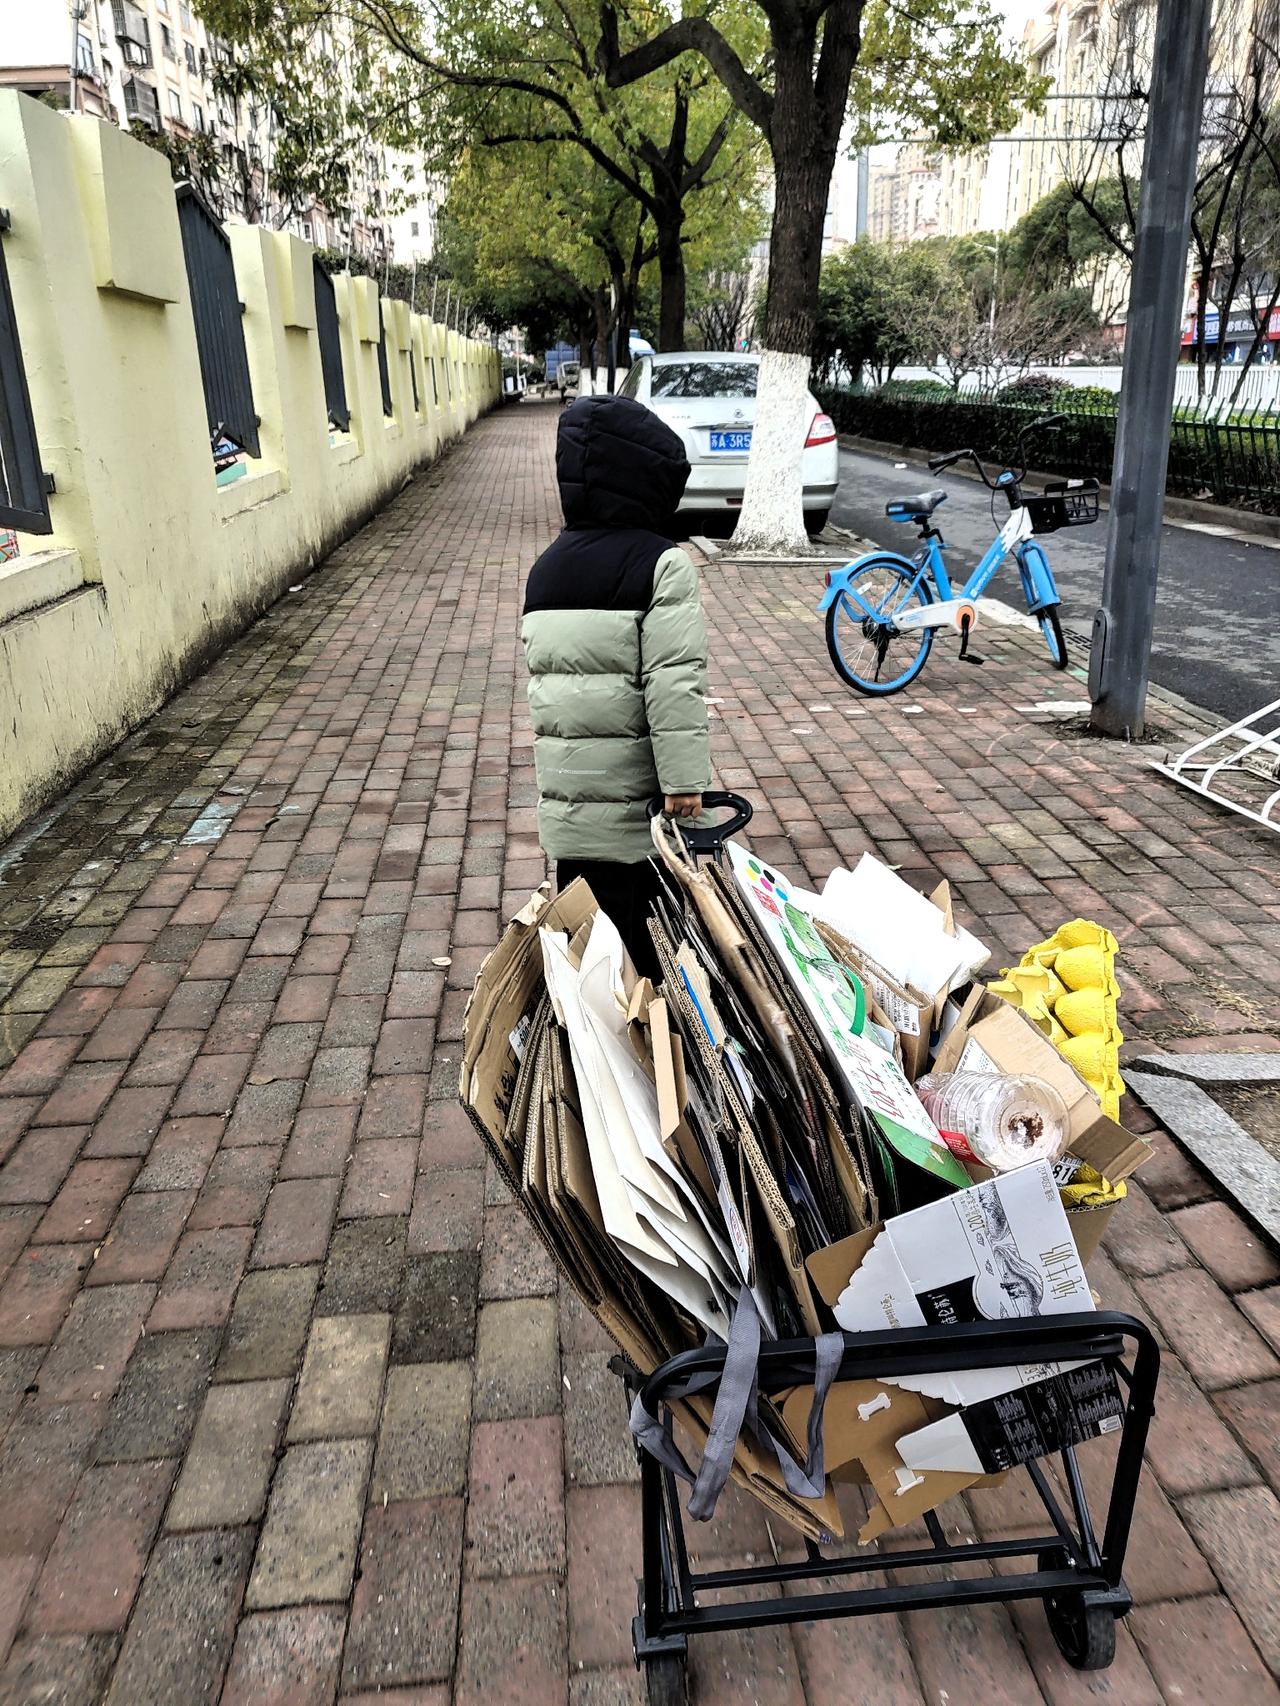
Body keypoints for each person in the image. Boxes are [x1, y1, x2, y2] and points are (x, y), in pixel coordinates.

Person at [521, 393, 710, 979]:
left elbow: (551, 692)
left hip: (571, 815)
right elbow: (672, 682)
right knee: (650, 961)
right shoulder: (662, 563)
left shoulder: (545, 569)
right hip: (638, 819)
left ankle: (588, 1059)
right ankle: (657, 1054)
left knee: (588, 948)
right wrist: (683, 781)